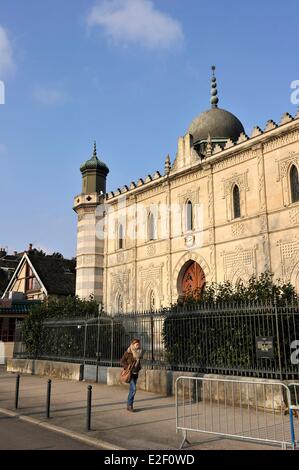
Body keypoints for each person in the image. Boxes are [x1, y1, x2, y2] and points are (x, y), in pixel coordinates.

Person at [120, 338, 143, 412]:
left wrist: (138, 367)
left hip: (136, 373)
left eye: (139, 344)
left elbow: (138, 363)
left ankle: (129, 405)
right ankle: (130, 405)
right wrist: (128, 367)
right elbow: (121, 361)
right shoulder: (128, 352)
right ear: (133, 345)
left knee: (132, 390)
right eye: (137, 344)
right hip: (130, 373)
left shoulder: (139, 352)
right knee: (133, 390)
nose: (138, 346)